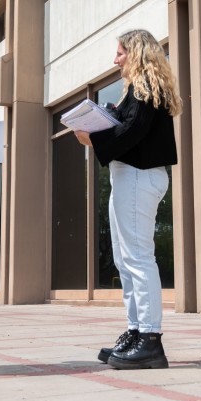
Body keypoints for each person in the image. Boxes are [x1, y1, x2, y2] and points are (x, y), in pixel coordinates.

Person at [74, 29, 181, 369]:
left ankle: (150, 340)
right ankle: (136, 331)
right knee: (124, 259)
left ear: (136, 53)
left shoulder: (145, 87)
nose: (115, 59)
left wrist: (93, 138)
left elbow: (132, 131)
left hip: (138, 175)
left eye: (120, 52)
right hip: (129, 175)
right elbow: (129, 124)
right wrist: (105, 117)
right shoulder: (138, 91)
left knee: (136, 257)